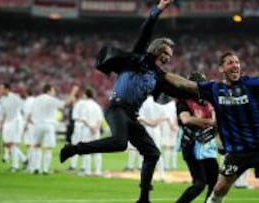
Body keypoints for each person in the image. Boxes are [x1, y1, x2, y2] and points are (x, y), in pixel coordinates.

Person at [59, 1, 194, 202]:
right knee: (119, 143)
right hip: (116, 108)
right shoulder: (138, 58)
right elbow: (146, 30)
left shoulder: (158, 76)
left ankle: (143, 198)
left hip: (131, 114)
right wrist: (158, 10)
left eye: (170, 55)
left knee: (152, 153)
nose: (167, 57)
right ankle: (73, 149)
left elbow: (178, 89)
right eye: (165, 53)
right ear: (156, 50)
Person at [160, 51, 259, 203]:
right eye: (230, 62)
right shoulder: (214, 89)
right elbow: (186, 84)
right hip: (237, 150)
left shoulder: (251, 83)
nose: (235, 65)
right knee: (219, 188)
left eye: (237, 62)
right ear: (221, 68)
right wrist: (159, 72)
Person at [175, 72, 219, 203]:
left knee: (215, 182)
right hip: (191, 145)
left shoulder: (208, 103)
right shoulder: (184, 102)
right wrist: (210, 122)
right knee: (200, 183)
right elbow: (185, 119)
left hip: (207, 146)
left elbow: (215, 123)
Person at [25, 84, 78, 174]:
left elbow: (30, 114)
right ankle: (45, 169)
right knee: (48, 148)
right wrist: (73, 92)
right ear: (49, 90)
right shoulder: (51, 99)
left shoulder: (37, 99)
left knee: (36, 146)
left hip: (38, 125)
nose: (54, 92)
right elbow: (65, 104)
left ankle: (36, 168)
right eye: (53, 90)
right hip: (49, 125)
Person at [0, 83, 27, 172]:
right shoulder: (1, 99)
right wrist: (1, 124)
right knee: (8, 144)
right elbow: (3, 113)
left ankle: (15, 166)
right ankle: (24, 159)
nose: (0, 90)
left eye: (1, 89)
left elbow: (23, 107)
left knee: (13, 143)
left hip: (16, 121)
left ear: (7, 89)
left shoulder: (14, 97)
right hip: (8, 122)